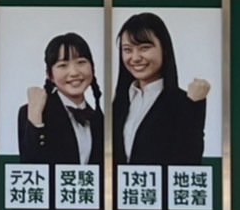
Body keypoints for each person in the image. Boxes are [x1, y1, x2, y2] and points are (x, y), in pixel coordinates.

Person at [111, 12, 210, 168]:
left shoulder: (183, 103)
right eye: (127, 50)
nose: (135, 58)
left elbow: (189, 161)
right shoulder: (119, 104)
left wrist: (194, 105)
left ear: (164, 48)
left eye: (144, 48)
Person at [17, 32, 104, 166]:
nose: (74, 72)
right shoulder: (33, 113)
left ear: (92, 68)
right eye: (63, 65)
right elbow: (31, 167)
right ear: (49, 75)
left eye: (81, 62)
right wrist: (35, 118)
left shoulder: (98, 119)